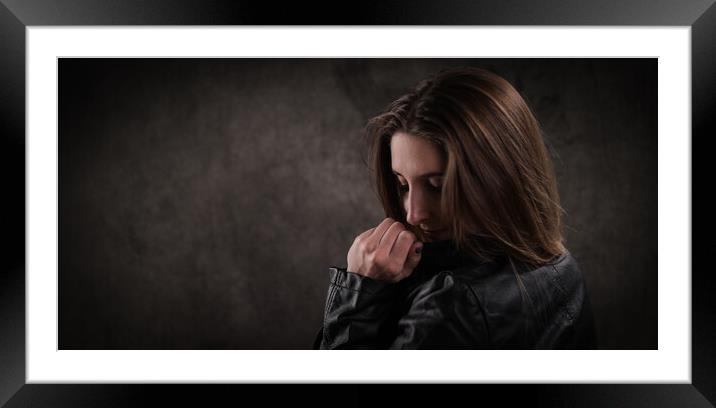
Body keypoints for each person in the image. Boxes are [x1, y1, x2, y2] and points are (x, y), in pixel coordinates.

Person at [313, 66, 597, 349]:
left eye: (438, 186)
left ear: (500, 178)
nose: (414, 214)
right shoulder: (564, 267)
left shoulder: (449, 307)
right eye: (403, 185)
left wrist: (357, 296)